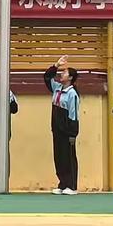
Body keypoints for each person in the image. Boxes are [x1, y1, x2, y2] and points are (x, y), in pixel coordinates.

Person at [44, 55, 80, 195]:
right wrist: (56, 65)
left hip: (67, 130)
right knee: (58, 156)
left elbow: (73, 114)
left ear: (70, 78)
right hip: (56, 128)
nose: (61, 74)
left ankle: (71, 185)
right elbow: (47, 77)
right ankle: (62, 183)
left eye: (64, 72)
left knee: (68, 157)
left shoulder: (72, 94)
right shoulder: (57, 88)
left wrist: (73, 133)